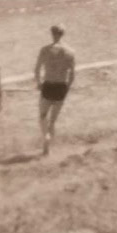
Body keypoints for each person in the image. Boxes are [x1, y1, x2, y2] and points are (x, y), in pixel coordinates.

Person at [34, 25, 76, 156]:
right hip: (61, 87)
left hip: (48, 86)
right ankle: (48, 147)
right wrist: (67, 88)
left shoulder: (45, 50)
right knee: (52, 121)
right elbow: (72, 75)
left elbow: (36, 70)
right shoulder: (70, 52)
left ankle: (46, 140)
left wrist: (39, 83)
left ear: (52, 34)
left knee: (42, 116)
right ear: (62, 34)